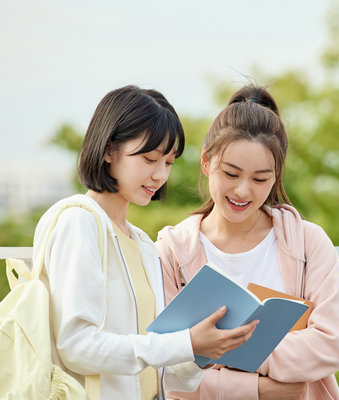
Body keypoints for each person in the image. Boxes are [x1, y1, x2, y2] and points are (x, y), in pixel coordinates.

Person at [32, 85, 258, 400]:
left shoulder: (142, 242)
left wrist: (206, 350)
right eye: (150, 158)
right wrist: (186, 343)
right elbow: (77, 347)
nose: (159, 175)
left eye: (168, 162)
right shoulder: (79, 222)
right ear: (109, 150)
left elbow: (157, 357)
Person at [156, 85, 339, 400]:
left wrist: (220, 350)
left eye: (260, 179)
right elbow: (167, 365)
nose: (243, 191)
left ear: (276, 176)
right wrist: (258, 388)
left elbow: (329, 346)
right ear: (206, 162)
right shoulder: (173, 251)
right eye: (231, 174)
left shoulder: (308, 244)